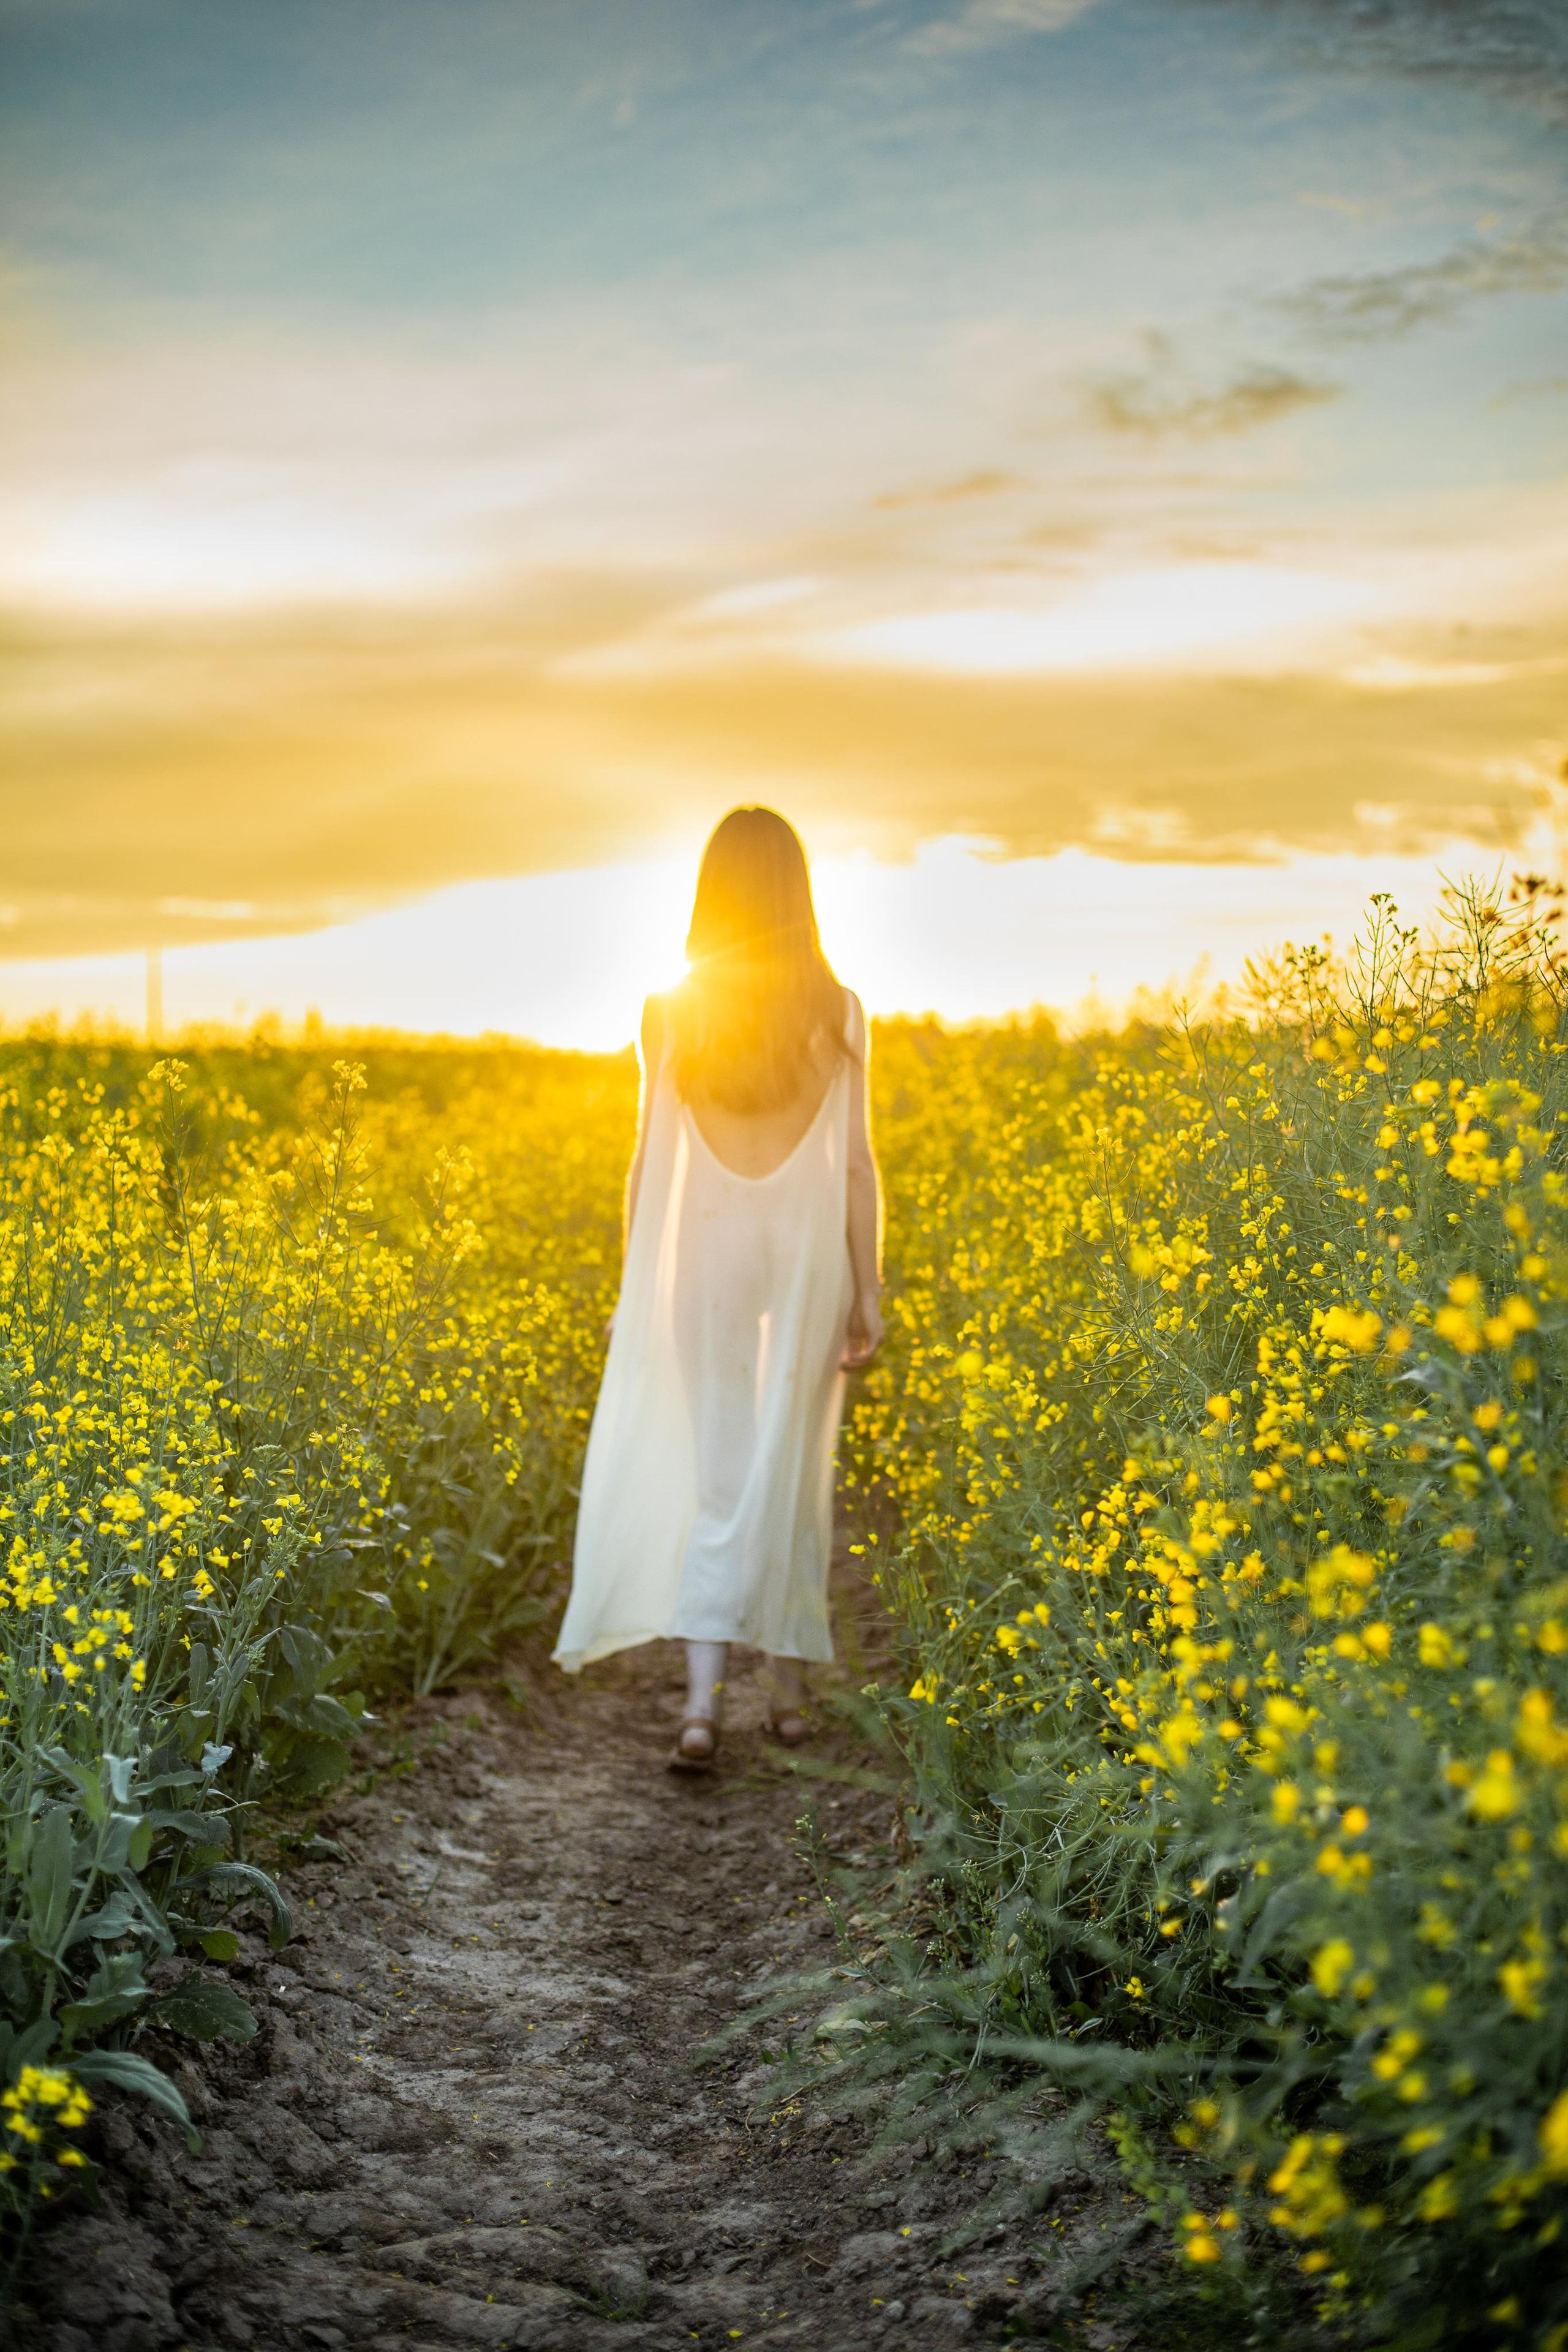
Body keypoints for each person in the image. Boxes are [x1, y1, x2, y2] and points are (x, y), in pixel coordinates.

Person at [552, 805, 883, 1768]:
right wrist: (871, 1289)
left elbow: (646, 1159)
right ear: (797, 894)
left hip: (705, 1252)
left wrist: (635, 1281)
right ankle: (785, 1699)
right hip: (806, 1253)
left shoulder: (670, 1010)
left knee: (718, 1473)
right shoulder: (840, 1008)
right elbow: (856, 1166)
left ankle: (700, 1708)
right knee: (789, 1473)